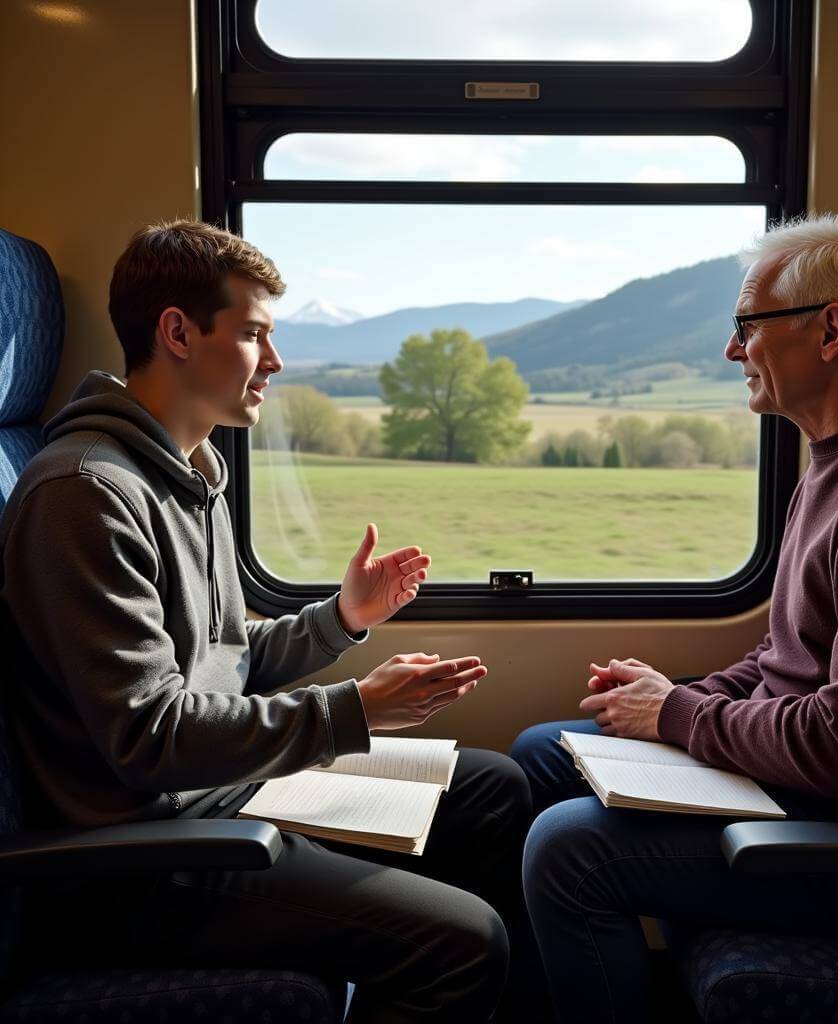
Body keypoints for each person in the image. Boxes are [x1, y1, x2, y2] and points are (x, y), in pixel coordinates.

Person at [0, 220, 532, 1024]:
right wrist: (354, 710)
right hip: (145, 860)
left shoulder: (192, 471)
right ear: (177, 332)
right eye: (254, 334)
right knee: (469, 944)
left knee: (495, 789)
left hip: (221, 799)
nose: (275, 363)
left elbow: (225, 661)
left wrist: (341, 619)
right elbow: (149, 737)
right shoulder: (84, 493)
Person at [511, 212, 838, 1024]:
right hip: (808, 797)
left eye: (747, 325)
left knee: (568, 852)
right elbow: (791, 655)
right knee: (543, 754)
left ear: (829, 331)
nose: (731, 349)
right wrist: (677, 695)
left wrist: (678, 713)